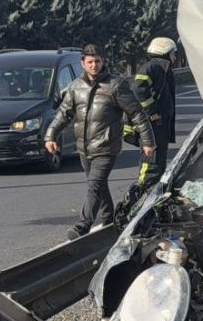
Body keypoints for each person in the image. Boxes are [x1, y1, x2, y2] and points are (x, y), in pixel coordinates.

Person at [45, 44, 154, 240]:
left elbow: (137, 114)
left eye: (97, 61)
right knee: (99, 185)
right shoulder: (75, 87)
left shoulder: (116, 85)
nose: (94, 65)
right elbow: (63, 114)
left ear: (103, 61)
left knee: (95, 184)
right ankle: (110, 222)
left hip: (107, 146)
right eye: (90, 62)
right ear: (82, 64)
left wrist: (147, 141)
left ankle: (82, 225)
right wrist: (50, 136)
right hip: (84, 147)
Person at [132, 37, 178, 187]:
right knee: (151, 165)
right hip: (153, 125)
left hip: (161, 124)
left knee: (158, 164)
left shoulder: (163, 69)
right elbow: (137, 89)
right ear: (164, 52)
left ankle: (153, 193)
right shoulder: (151, 68)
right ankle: (142, 193)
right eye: (172, 53)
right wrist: (152, 111)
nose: (175, 57)